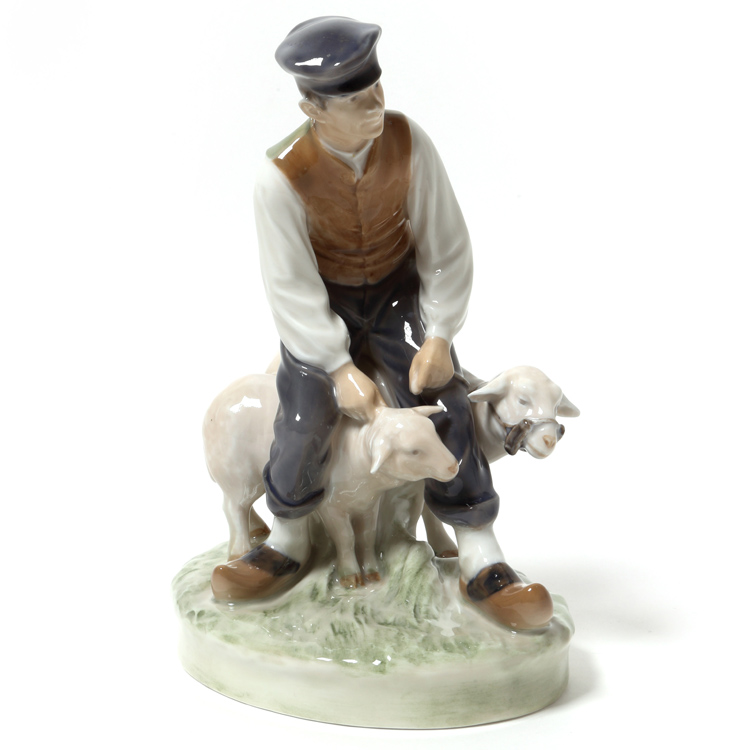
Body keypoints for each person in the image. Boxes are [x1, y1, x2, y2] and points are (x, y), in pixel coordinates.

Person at [211, 16, 553, 629]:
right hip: (324, 309)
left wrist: (439, 334)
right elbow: (290, 286)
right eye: (355, 100)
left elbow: (446, 246)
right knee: (303, 415)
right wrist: (338, 366)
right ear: (312, 108)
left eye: (376, 90)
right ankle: (287, 537)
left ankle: (480, 554)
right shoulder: (280, 177)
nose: (375, 106)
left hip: (398, 300)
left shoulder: (410, 143)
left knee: (446, 401)